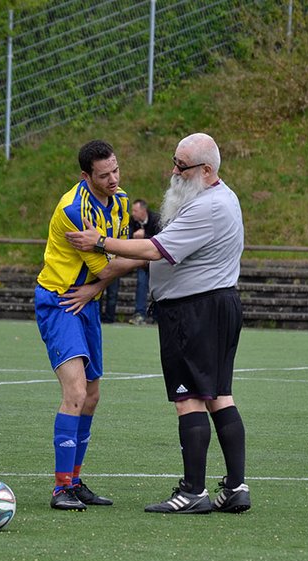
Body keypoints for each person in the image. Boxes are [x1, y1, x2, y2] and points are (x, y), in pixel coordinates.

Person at [65, 132, 250, 515]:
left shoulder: (208, 207)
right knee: (218, 395)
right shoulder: (221, 196)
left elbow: (154, 250)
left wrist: (101, 243)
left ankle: (193, 492)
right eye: (175, 162)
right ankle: (235, 487)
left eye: (181, 166)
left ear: (207, 169)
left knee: (189, 398)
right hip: (217, 304)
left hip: (195, 310)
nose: (173, 171)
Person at [34, 139, 144, 511]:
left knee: (93, 396)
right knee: (76, 393)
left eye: (116, 169)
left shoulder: (123, 201)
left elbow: (113, 259)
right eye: (104, 174)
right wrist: (148, 254)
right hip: (61, 301)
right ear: (86, 176)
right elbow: (109, 264)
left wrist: (104, 277)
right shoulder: (73, 210)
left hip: (87, 302)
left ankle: (76, 481)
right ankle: (60, 488)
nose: (113, 179)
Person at [127, 199, 161, 325]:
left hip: (157, 260)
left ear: (143, 211)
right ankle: (140, 314)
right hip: (141, 260)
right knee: (141, 283)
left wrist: (144, 235)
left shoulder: (156, 219)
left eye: (135, 210)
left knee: (158, 287)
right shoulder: (132, 220)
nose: (133, 213)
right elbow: (128, 237)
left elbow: (161, 240)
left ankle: (157, 315)